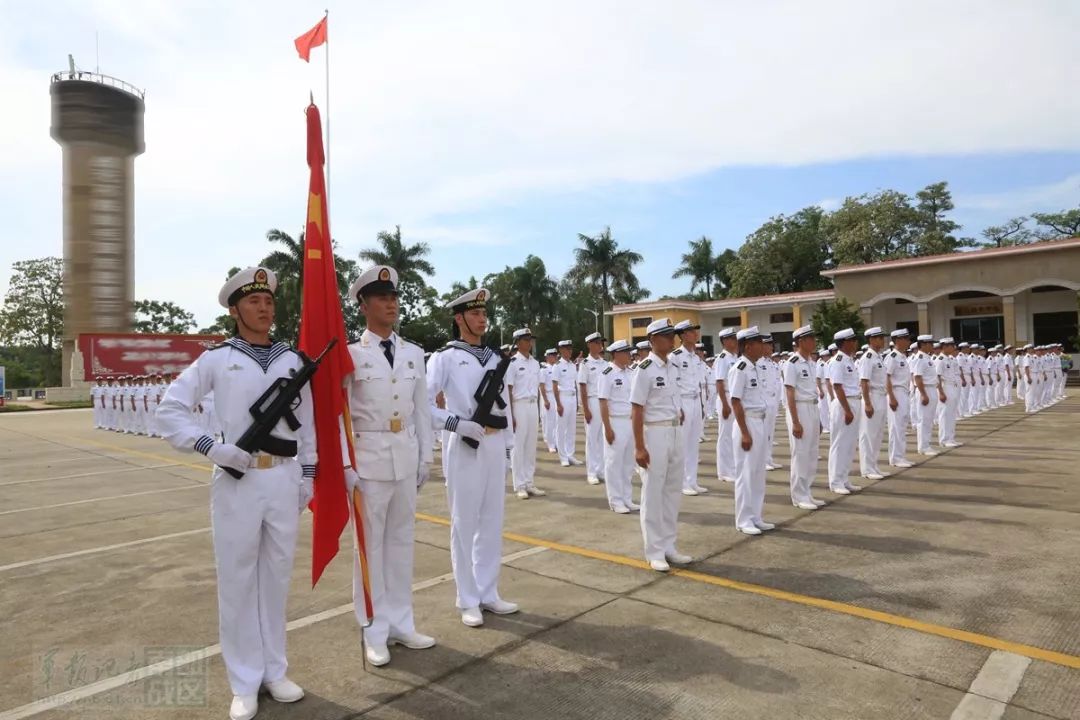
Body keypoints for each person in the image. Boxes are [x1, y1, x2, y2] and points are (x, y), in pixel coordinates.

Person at [156, 267, 312, 720]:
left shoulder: (292, 360)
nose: (264, 309)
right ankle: (244, 681)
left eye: (268, 301)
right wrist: (213, 447)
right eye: (253, 302)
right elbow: (170, 411)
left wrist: (309, 475)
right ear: (234, 309)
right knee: (238, 581)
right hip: (237, 483)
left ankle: (274, 671)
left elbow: (312, 425)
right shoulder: (216, 359)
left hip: (283, 478)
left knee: (276, 579)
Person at [341, 265, 436, 667]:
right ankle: (374, 629)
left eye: (394, 296)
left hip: (405, 454)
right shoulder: (350, 354)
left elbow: (421, 409)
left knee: (400, 546)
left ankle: (401, 623)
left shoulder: (414, 352)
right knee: (371, 550)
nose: (391, 303)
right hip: (368, 459)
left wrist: (427, 455)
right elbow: (338, 413)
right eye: (382, 297)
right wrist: (346, 465)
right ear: (364, 305)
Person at [426, 287, 519, 628]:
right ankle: (467, 598)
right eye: (475, 314)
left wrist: (509, 446)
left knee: (492, 520)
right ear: (459, 318)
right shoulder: (445, 357)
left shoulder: (496, 358)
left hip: (493, 444)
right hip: (464, 444)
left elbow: (503, 405)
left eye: (484, 313)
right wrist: (456, 424)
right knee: (464, 522)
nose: (482, 319)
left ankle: (488, 591)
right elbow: (423, 405)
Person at [630, 318, 691, 571]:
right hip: (654, 434)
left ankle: (669, 545)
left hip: (675, 431)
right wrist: (639, 446)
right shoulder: (644, 369)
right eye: (667, 336)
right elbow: (636, 409)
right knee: (653, 494)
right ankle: (654, 551)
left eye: (673, 335)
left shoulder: (673, 366)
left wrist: (678, 412)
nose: (672, 340)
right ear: (653, 340)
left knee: (672, 492)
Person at [728, 326, 773, 533]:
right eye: (759, 343)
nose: (763, 347)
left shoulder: (756, 367)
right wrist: (745, 432)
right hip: (747, 423)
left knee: (757, 472)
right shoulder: (740, 369)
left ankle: (756, 515)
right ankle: (744, 519)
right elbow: (735, 402)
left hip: (760, 422)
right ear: (748, 346)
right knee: (746, 473)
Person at [784, 325, 824, 510]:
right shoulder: (792, 363)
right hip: (799, 409)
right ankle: (798, 496)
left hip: (813, 408)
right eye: (810, 338)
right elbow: (789, 393)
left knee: (811, 453)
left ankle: (807, 491)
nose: (813, 341)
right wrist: (795, 421)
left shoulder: (811, 362)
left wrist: (820, 419)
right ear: (801, 341)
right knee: (800, 454)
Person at [598, 339, 638, 514]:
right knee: (614, 463)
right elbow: (603, 402)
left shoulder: (630, 373)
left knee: (628, 463)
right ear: (616, 354)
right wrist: (607, 428)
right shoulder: (607, 373)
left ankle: (627, 498)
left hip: (629, 421)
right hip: (615, 422)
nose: (629, 355)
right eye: (626, 352)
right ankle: (615, 500)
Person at [507, 327, 546, 500]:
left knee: (531, 446)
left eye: (530, 339)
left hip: (532, 405)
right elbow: (508, 389)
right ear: (517, 342)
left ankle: (529, 482)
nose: (529, 343)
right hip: (518, 405)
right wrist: (510, 415)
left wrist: (537, 410)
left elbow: (537, 389)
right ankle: (520, 485)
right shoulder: (512, 363)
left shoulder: (535, 363)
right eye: (526, 339)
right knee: (518, 446)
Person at [671, 320, 709, 496]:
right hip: (683, 402)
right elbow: (673, 384)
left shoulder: (696, 358)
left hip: (695, 401)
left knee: (694, 444)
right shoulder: (676, 357)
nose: (696, 334)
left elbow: (700, 383)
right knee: (683, 445)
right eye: (692, 331)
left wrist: (702, 405)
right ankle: (683, 482)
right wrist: (678, 408)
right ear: (683, 335)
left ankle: (692, 481)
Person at [827, 328, 862, 495]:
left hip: (854, 402)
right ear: (845, 343)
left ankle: (844, 478)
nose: (855, 343)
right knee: (840, 444)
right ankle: (835, 481)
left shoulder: (850, 360)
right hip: (843, 405)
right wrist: (847, 410)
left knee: (850, 444)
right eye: (852, 340)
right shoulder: (837, 361)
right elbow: (837, 386)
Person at [857, 327, 890, 481]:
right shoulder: (868, 358)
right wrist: (868, 403)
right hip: (872, 396)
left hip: (881, 396)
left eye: (882, 337)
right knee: (868, 434)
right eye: (879, 337)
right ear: (870, 340)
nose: (882, 340)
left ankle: (874, 465)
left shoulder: (878, 357)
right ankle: (867, 469)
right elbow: (864, 382)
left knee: (877, 434)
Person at [578, 331, 608, 485]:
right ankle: (591, 472)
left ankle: (601, 470)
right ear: (590, 345)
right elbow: (582, 387)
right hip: (592, 402)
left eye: (600, 342)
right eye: (597, 342)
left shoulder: (605, 364)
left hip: (604, 403)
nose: (600, 345)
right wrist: (586, 409)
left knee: (603, 438)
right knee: (592, 439)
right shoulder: (585, 364)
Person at [885, 330, 914, 468]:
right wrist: (891, 397)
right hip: (896, 393)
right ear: (897, 340)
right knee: (896, 427)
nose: (908, 341)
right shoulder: (892, 357)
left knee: (902, 426)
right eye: (905, 338)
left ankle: (900, 456)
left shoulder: (902, 357)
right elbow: (887, 377)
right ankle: (895, 458)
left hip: (904, 393)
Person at [713, 328, 739, 483]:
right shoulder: (722, 359)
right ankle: (724, 471)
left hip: (735, 397)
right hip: (726, 397)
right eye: (732, 339)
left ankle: (732, 467)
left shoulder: (735, 358)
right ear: (725, 341)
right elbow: (719, 382)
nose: (735, 341)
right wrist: (724, 404)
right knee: (725, 436)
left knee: (733, 435)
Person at [911, 334, 944, 456]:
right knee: (923, 420)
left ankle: (927, 444)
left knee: (929, 419)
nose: (932, 346)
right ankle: (923, 446)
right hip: (925, 390)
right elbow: (917, 377)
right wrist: (924, 394)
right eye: (930, 343)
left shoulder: (927, 358)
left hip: (931, 389)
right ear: (923, 344)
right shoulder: (920, 358)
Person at [552, 340, 583, 467]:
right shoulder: (557, 366)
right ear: (561, 350)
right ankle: (563, 456)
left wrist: (577, 403)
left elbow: (575, 385)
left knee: (571, 428)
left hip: (572, 398)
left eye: (571, 349)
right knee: (561, 429)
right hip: (563, 398)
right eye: (567, 349)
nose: (570, 351)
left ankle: (570, 454)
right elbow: (554, 386)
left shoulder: (572, 365)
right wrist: (558, 404)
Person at [935, 338, 964, 449]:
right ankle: (944, 439)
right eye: (951, 345)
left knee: (952, 414)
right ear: (945, 347)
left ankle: (951, 438)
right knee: (944, 415)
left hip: (953, 387)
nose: (953, 347)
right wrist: (941, 393)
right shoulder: (940, 360)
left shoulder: (950, 359)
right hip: (945, 387)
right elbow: (937, 377)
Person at [540, 348, 559, 453]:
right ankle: (550, 444)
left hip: (556, 395)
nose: (555, 357)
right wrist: (546, 400)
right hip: (548, 395)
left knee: (556, 421)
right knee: (549, 421)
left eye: (555, 355)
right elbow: (541, 386)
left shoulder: (557, 368)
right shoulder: (544, 369)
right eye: (552, 355)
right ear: (547, 357)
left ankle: (556, 442)